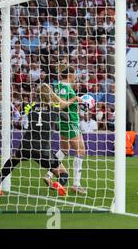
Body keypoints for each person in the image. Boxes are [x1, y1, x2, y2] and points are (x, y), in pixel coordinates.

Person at [0, 84, 69, 197]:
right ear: (50, 94)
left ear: (37, 95)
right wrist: (55, 99)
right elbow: (66, 117)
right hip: (43, 149)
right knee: (63, 172)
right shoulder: (55, 109)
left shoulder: (30, 107)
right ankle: (59, 184)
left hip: (27, 144)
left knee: (14, 160)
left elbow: (26, 116)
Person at [45, 65, 87, 195]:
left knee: (64, 150)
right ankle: (76, 184)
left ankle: (48, 175)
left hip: (62, 120)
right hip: (70, 120)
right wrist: (75, 99)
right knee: (81, 150)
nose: (75, 76)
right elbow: (62, 105)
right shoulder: (65, 87)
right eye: (74, 74)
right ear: (70, 75)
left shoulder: (57, 86)